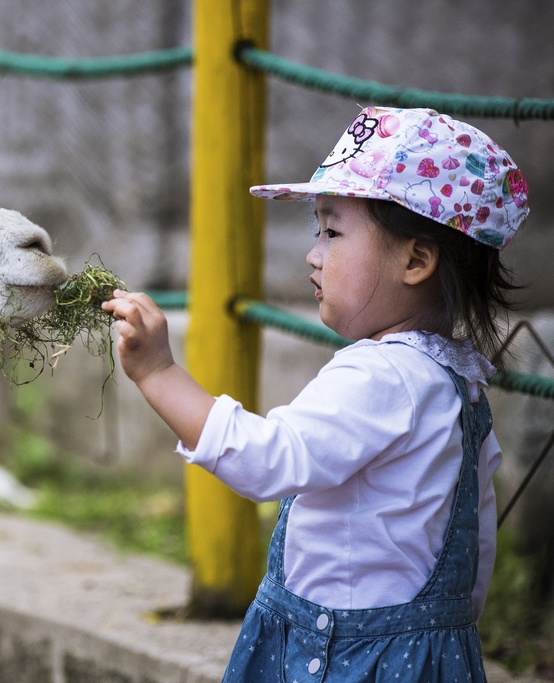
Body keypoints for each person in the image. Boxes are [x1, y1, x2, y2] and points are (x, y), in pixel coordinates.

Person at [102, 106, 529, 681]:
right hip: (430, 655)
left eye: (332, 231)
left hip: (343, 657)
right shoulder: (458, 385)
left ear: (417, 260)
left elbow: (265, 460)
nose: (313, 253)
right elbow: (474, 542)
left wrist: (158, 374)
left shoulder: (380, 376)